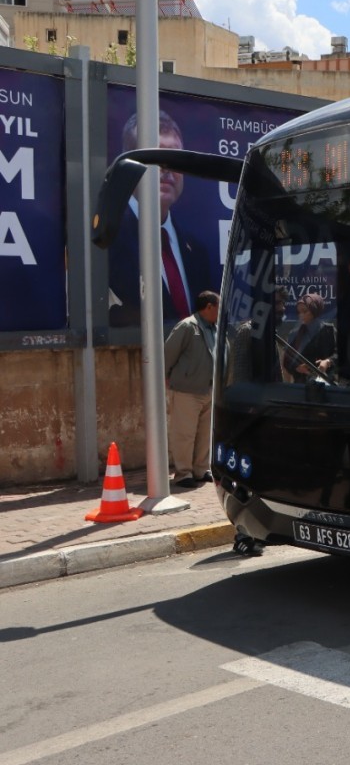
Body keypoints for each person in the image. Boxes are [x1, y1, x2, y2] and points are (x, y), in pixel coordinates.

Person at [108, 110, 215, 329]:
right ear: (128, 166)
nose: (166, 168)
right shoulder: (107, 241)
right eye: (156, 157)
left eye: (175, 157)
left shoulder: (197, 251)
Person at [164, 290, 219, 487]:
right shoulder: (187, 326)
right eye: (218, 307)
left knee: (205, 434)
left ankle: (200, 469)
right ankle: (183, 473)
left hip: (209, 389)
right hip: (187, 390)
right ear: (209, 307)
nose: (220, 312)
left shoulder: (215, 328)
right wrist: (166, 377)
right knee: (184, 433)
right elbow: (168, 354)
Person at [281, 292, 337, 381]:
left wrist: (327, 362)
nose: (301, 315)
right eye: (299, 312)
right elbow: (287, 361)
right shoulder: (295, 334)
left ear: (314, 311)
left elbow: (337, 354)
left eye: (305, 311)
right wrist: (297, 367)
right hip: (301, 385)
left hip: (325, 383)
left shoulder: (328, 330)